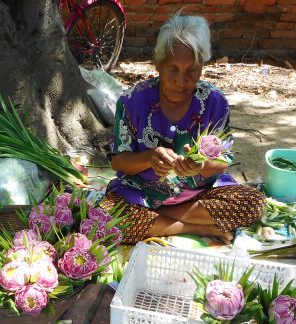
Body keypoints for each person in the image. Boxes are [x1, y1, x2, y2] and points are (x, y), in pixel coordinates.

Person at [100, 13, 266, 244]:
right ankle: (194, 228)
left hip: (197, 197)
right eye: (173, 69)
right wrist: (149, 157)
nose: (181, 80)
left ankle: (157, 222)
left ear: (202, 67)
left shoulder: (213, 101)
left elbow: (222, 162)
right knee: (107, 215)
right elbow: (119, 162)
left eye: (192, 70)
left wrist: (200, 165)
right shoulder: (131, 101)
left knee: (253, 202)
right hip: (141, 194)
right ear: (157, 63)